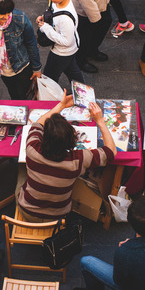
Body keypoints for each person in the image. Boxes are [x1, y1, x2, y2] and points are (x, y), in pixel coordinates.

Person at [16, 93, 116, 221]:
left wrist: (61, 105)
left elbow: (38, 123)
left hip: (27, 211)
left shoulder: (32, 148)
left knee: (21, 166)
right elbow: (111, 152)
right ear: (71, 141)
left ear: (44, 138)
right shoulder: (78, 160)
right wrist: (100, 121)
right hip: (57, 216)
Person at [78, 196, 145, 290]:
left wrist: (127, 250)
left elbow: (119, 281)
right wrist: (132, 245)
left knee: (86, 261)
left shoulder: (125, 253)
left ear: (131, 224)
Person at [36, 0, 84, 85]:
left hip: (61, 52)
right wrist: (44, 18)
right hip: (69, 51)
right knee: (73, 74)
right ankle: (83, 95)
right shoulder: (57, 1)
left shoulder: (66, 19)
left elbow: (67, 41)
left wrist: (46, 28)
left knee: (48, 81)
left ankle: (50, 100)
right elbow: (52, 12)